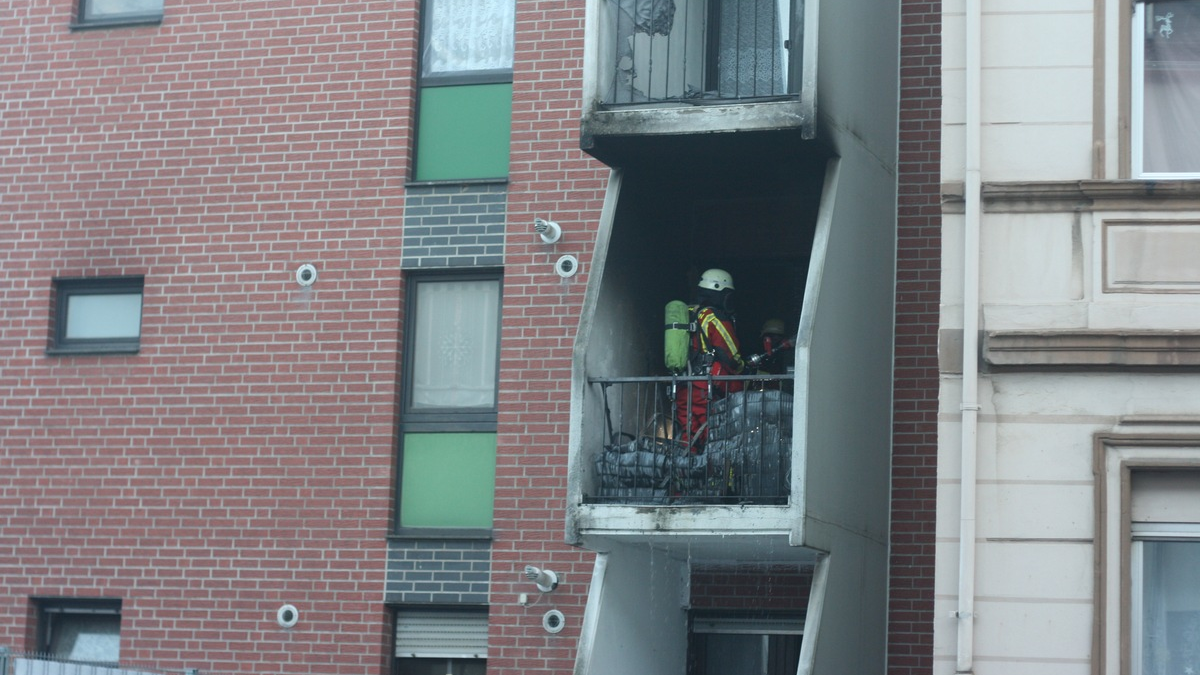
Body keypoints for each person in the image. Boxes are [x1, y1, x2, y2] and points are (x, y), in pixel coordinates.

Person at [674, 268, 745, 449]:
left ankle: (686, 474)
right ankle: (710, 475)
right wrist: (742, 368)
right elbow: (730, 354)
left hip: (684, 386)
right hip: (706, 389)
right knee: (713, 436)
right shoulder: (712, 316)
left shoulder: (689, 313)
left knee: (688, 435)